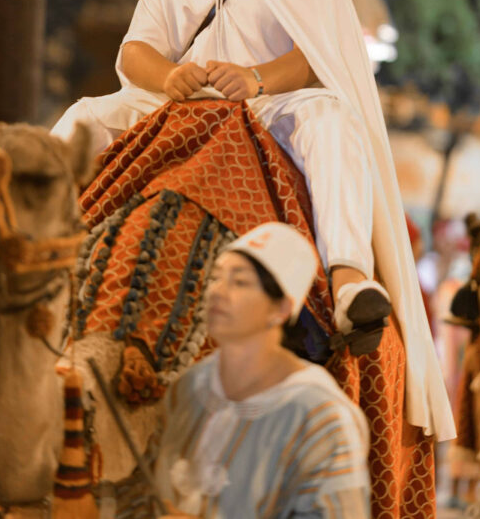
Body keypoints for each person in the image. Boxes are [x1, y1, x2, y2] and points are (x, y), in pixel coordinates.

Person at [52, 0, 454, 439]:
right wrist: (171, 75)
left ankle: (347, 276)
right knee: (83, 114)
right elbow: (134, 51)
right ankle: (27, 248)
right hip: (174, 103)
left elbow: (321, 55)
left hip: (268, 107)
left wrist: (257, 79)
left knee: (330, 115)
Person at [154, 222, 370, 518]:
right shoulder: (189, 388)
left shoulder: (320, 416)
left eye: (240, 282)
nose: (218, 291)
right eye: (216, 277)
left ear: (281, 308)